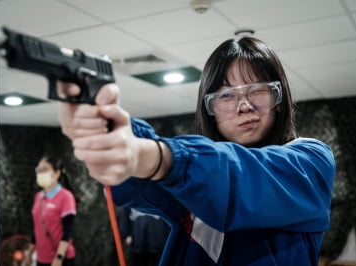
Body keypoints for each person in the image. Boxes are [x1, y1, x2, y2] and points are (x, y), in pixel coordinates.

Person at [57, 36, 336, 265]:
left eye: (257, 90)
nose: (244, 105)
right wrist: (109, 125)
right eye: (226, 95)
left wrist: (155, 157)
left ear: (278, 98)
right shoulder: (199, 180)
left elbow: (239, 178)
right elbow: (148, 183)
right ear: (210, 109)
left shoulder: (310, 160)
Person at [24, 155, 77, 266]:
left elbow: (68, 231)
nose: (41, 173)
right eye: (39, 170)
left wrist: (59, 258)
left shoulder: (66, 196)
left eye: (45, 169)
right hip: (42, 258)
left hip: (62, 259)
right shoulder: (38, 197)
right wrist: (29, 254)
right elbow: (37, 228)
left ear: (57, 173)